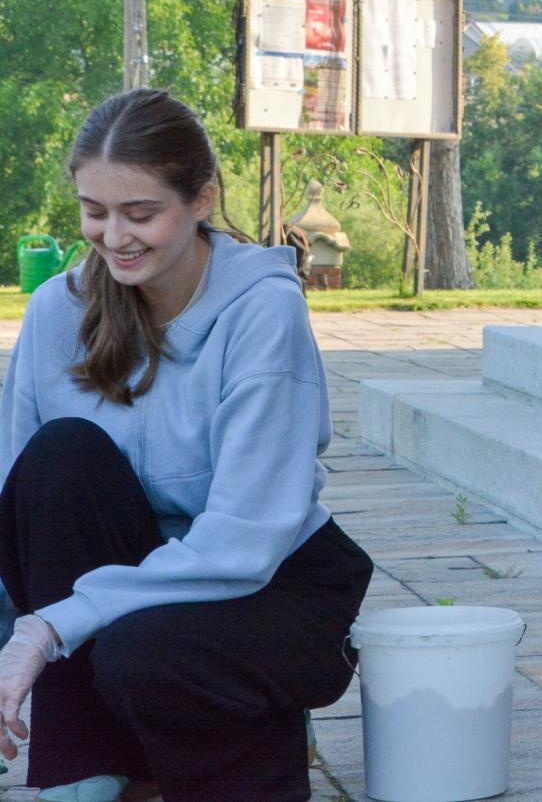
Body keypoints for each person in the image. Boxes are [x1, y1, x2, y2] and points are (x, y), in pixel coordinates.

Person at [0, 89, 373, 800]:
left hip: (272, 581)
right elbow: (18, 506)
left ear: (202, 200)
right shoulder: (56, 312)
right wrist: (12, 642)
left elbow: (241, 545)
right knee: (58, 458)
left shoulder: (262, 311)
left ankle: (251, 713)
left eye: (140, 213)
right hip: (127, 577)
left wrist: (50, 628)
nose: (114, 236)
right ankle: (88, 768)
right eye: (94, 211)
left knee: (146, 655)